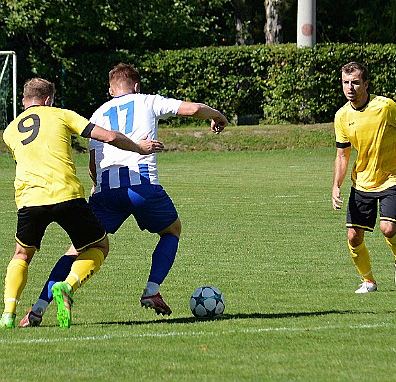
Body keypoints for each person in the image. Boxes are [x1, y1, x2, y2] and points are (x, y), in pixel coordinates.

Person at [19, 63, 228, 327]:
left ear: (110, 89)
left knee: (78, 249)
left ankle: (38, 309)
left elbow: (93, 164)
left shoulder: (99, 112)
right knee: (172, 230)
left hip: (106, 191)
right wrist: (218, 116)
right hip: (142, 186)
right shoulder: (148, 101)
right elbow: (193, 109)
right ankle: (151, 290)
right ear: (136, 86)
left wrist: (97, 185)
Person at [0, 77, 164, 329]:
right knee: (99, 245)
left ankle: (8, 314)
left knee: (22, 254)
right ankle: (68, 286)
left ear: (24, 101)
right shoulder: (61, 114)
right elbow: (107, 136)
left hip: (29, 199)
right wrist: (138, 148)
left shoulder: (10, 131)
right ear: (48, 100)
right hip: (66, 195)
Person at [332, 61, 396, 294]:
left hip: (392, 178)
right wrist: (336, 185)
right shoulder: (341, 116)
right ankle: (369, 281)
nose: (350, 87)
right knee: (353, 236)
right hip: (362, 182)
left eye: (356, 82)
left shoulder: (385, 107)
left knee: (388, 228)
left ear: (366, 84)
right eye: (346, 82)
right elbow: (343, 153)